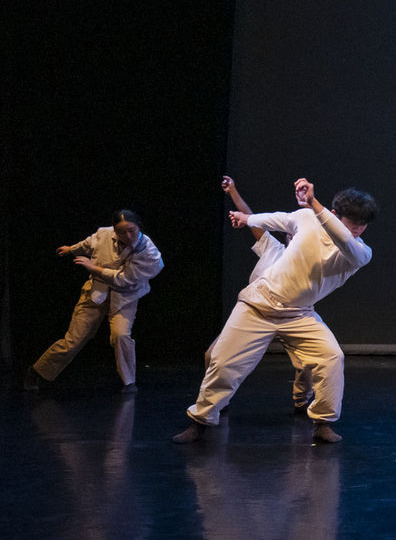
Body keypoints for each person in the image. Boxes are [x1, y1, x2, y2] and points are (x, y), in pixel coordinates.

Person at [173, 178, 377, 444]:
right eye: (353, 223)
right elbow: (277, 219)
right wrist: (248, 220)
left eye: (363, 224)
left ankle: (323, 422)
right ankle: (200, 420)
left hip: (299, 314)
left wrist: (314, 203)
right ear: (336, 215)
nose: (359, 229)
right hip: (258, 305)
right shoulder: (306, 217)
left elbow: (342, 239)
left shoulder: (361, 252)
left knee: (331, 358)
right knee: (222, 361)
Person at [26, 210, 164, 393]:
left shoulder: (150, 254)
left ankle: (129, 382)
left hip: (125, 297)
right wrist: (71, 249)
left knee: (121, 335)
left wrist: (93, 267)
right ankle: (38, 371)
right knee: (74, 340)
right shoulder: (104, 234)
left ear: (139, 227)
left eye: (131, 230)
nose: (127, 236)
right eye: (122, 232)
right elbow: (88, 244)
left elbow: (124, 279)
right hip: (95, 292)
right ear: (115, 230)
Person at [211, 175, 313, 413]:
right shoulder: (273, 248)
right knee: (213, 355)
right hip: (257, 312)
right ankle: (217, 400)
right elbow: (252, 219)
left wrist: (309, 205)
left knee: (307, 363)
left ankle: (301, 399)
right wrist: (233, 191)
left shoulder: (308, 259)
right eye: (291, 234)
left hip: (293, 315)